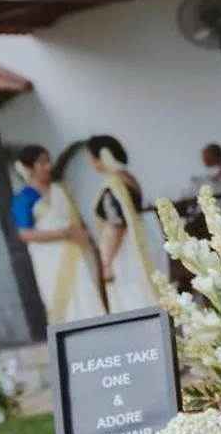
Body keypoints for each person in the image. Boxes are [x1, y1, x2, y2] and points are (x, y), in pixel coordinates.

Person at [10, 145, 104, 325]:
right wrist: (61, 233)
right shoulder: (25, 198)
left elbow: (77, 221)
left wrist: (91, 244)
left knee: (87, 291)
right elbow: (25, 234)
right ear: (29, 168)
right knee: (63, 299)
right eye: (41, 162)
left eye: (48, 161)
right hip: (51, 259)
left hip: (79, 251)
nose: (48, 166)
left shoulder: (61, 190)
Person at [86, 134, 164, 311]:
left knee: (133, 300)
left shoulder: (114, 184)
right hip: (140, 241)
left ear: (102, 157)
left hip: (125, 251)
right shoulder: (128, 177)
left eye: (92, 159)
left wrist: (106, 263)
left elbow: (117, 225)